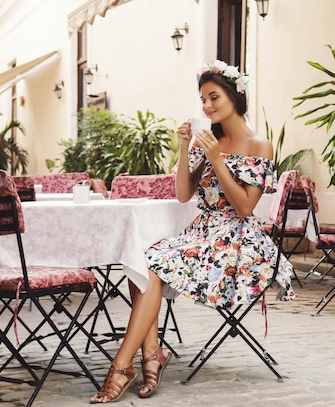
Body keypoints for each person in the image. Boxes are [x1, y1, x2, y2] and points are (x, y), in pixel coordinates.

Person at [90, 60, 295, 403]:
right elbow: (184, 194)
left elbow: (245, 207)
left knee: (152, 264)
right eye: (203, 99)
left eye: (214, 97)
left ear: (235, 96)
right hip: (202, 234)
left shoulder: (260, 145)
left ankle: (123, 365)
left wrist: (217, 160)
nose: (207, 105)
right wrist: (186, 146)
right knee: (143, 260)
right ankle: (150, 352)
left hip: (239, 242)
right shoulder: (207, 139)